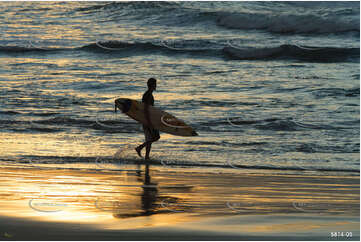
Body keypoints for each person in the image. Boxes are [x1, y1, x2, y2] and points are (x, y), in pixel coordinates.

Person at [135, 78, 160, 160]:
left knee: (150, 138)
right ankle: (140, 148)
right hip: (148, 120)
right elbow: (146, 109)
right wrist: (149, 121)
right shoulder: (148, 95)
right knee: (155, 137)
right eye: (155, 84)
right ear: (152, 85)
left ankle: (146, 156)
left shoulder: (148, 94)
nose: (156, 85)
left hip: (146, 119)